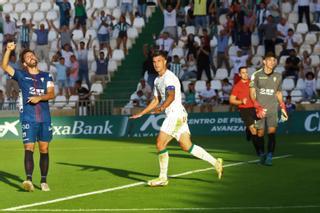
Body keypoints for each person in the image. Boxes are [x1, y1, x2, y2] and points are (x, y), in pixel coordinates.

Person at [130, 50, 223, 186]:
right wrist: (142, 112)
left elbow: (171, 96)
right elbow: (156, 100)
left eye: (159, 61)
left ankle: (162, 178)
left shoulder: (169, 77)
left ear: (165, 62)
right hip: (178, 114)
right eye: (154, 62)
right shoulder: (157, 80)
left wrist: (162, 108)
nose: (156, 64)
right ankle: (216, 162)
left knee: (160, 143)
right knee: (187, 146)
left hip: (176, 114)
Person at [1, 42, 55, 191]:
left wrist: (40, 98)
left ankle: (44, 181)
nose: (31, 57)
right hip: (28, 118)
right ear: (25, 63)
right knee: (28, 148)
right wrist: (8, 50)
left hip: (45, 118)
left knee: (44, 149)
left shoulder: (46, 75)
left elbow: (52, 94)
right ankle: (29, 180)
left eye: (32, 55)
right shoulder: (21, 75)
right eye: (28, 57)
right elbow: (4, 66)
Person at [250, 52, 288, 166]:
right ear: (264, 61)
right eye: (270, 60)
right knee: (260, 133)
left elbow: (278, 92)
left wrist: (283, 107)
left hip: (272, 109)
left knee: (272, 133)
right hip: (259, 110)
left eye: (274, 60)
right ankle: (262, 154)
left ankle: (270, 156)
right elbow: (252, 93)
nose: (273, 62)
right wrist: (257, 106)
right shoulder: (256, 75)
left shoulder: (278, 76)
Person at [229, 66, 261, 156]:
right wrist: (241, 101)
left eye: (246, 72)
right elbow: (231, 100)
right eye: (243, 72)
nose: (245, 74)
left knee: (258, 130)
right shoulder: (237, 86)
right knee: (253, 130)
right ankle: (259, 152)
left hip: (254, 108)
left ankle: (247, 130)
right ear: (239, 74)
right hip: (244, 109)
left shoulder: (252, 83)